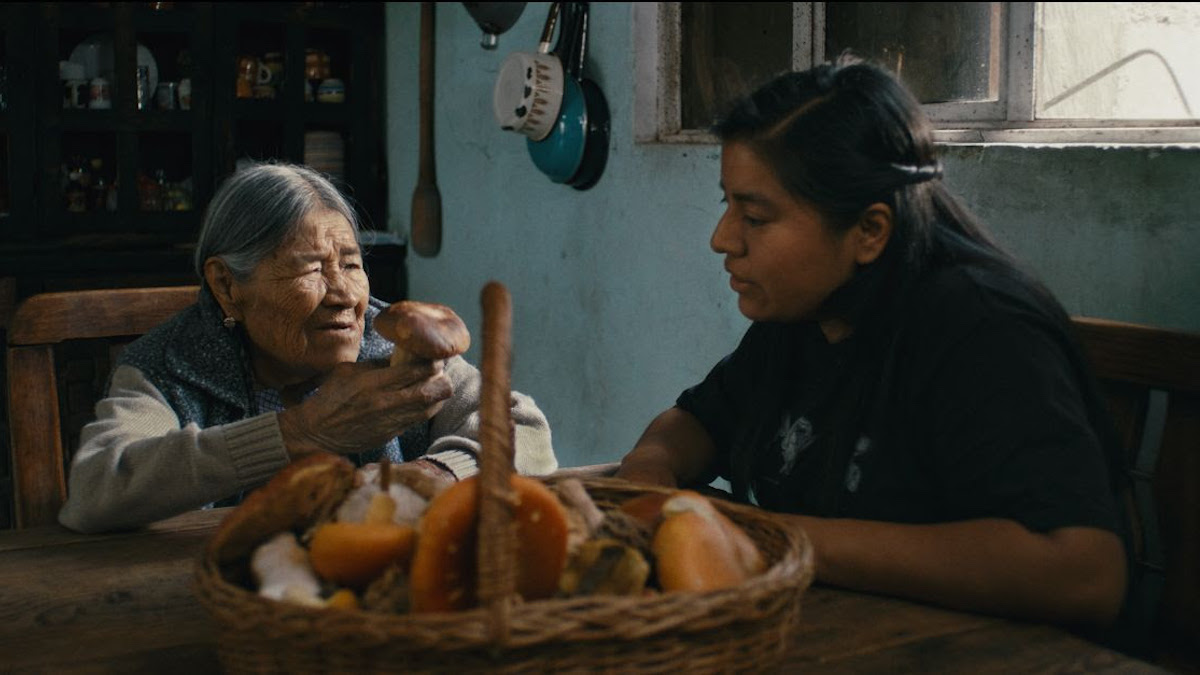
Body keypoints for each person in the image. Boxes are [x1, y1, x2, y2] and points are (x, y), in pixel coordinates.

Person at [615, 56, 1138, 642]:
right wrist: (647, 474)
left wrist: (779, 538)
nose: (723, 239)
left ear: (869, 231)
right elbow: (695, 422)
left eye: (755, 216)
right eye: (727, 204)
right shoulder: (804, 313)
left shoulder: (980, 332)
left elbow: (1086, 571)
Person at [59, 163, 557, 534]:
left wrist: (437, 472)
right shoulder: (170, 367)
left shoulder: (398, 342)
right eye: (312, 269)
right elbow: (97, 487)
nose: (345, 294)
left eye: (352, 263)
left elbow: (525, 429)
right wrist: (301, 433)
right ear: (228, 286)